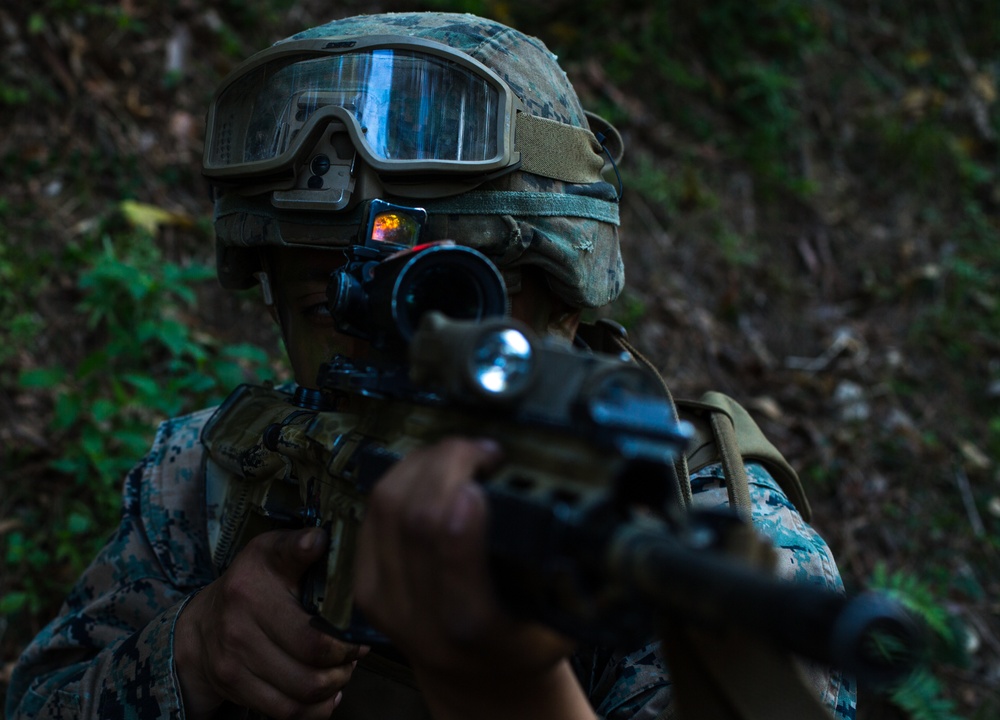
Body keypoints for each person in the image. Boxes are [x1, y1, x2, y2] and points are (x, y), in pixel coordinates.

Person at [6, 12, 857, 720]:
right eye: (324, 303)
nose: (381, 344)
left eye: (448, 297)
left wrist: (509, 686)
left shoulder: (707, 536)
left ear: (563, 295)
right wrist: (190, 653)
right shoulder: (213, 474)